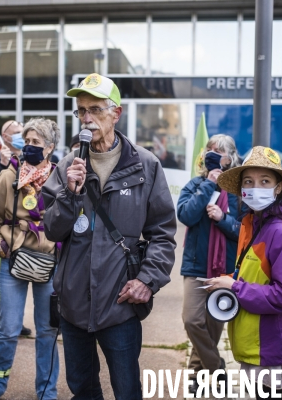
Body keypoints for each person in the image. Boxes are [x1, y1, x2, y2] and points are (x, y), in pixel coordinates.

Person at [42, 73, 177, 399]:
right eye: (81, 110)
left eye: (96, 109)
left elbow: (163, 233)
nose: (87, 118)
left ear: (116, 114)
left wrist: (148, 279)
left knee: (127, 388)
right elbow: (52, 230)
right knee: (83, 387)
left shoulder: (145, 165)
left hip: (120, 305)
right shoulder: (65, 167)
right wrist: (69, 196)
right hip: (73, 304)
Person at [207, 146, 282, 399]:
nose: (255, 188)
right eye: (248, 182)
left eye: (265, 181)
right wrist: (230, 280)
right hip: (256, 345)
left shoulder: (280, 230)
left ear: (278, 187)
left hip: (270, 347)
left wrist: (235, 288)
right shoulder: (254, 222)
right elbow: (259, 275)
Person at [0, 118, 60, 400]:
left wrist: (60, 249)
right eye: (26, 142)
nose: (29, 147)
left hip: (49, 263)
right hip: (12, 260)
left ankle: (46, 390)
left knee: (48, 331)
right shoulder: (9, 175)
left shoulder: (60, 178)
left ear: (49, 148)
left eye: (36, 143)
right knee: (8, 328)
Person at [178, 134, 243, 394]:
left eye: (220, 152)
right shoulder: (195, 185)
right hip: (196, 267)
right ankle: (216, 367)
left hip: (225, 270)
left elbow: (244, 233)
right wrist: (208, 186)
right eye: (210, 150)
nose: (213, 155)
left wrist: (223, 219)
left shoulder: (239, 192)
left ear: (230, 158)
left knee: (213, 326)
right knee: (193, 320)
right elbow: (186, 215)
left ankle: (197, 374)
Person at [0, 119, 32, 337]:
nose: (21, 136)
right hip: (5, 234)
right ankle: (6, 322)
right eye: (17, 133)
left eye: (23, 132)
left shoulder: (32, 157)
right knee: (7, 285)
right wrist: (3, 166)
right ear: (5, 136)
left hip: (28, 234)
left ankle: (15, 322)